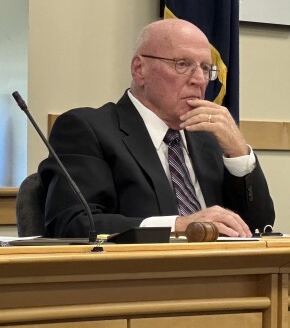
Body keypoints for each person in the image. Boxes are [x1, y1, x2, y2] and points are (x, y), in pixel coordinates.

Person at [39, 19, 275, 238]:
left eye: (205, 68)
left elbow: (258, 227)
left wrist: (239, 155)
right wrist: (179, 226)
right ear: (139, 69)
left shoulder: (208, 138)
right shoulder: (87, 130)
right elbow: (73, 224)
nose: (199, 80)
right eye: (183, 64)